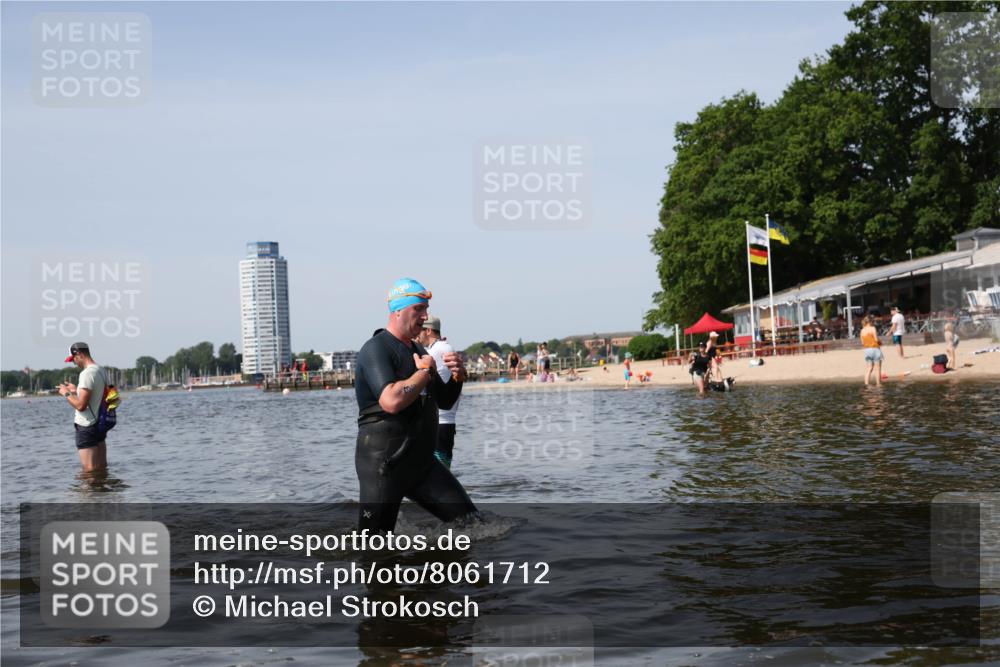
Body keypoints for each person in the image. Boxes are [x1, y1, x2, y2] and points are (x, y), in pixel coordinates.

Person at [353, 278, 477, 532]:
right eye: (419, 309)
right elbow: (391, 401)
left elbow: (444, 400)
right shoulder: (376, 348)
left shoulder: (420, 351)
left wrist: (457, 376)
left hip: (421, 464)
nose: (425, 316)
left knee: (473, 525)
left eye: (426, 309)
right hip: (384, 465)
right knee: (373, 545)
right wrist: (423, 373)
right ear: (398, 310)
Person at [417, 315, 461, 469]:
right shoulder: (443, 347)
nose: (417, 334)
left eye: (419, 330)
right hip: (443, 424)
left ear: (428, 330)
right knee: (440, 474)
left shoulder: (436, 351)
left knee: (437, 476)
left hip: (438, 423)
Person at [57, 342, 108, 472]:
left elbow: (81, 406)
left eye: (73, 359)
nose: (74, 363)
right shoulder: (101, 370)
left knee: (89, 471)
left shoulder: (86, 374)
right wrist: (76, 391)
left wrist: (66, 393)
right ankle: (104, 491)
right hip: (100, 425)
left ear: (79, 354)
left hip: (87, 426)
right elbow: (98, 394)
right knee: (101, 468)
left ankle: (88, 493)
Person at [860, 316, 883, 386]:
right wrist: (880, 342)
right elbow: (876, 339)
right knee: (877, 368)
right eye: (873, 321)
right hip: (875, 349)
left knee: (869, 368)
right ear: (870, 322)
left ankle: (866, 384)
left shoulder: (862, 330)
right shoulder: (873, 328)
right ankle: (878, 384)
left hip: (867, 350)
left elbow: (862, 343)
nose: (873, 323)